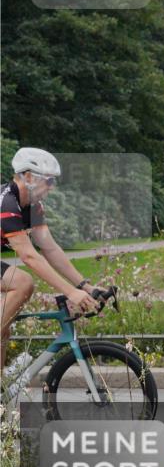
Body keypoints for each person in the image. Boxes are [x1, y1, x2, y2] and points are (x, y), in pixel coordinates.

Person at [1, 148, 102, 368]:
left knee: (3, 329)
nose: (51, 187)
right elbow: (29, 256)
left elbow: (50, 248)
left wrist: (84, 285)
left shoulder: (32, 207)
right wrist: (70, 292)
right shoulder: (8, 204)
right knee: (22, 282)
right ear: (27, 176)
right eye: (48, 181)